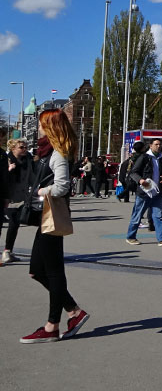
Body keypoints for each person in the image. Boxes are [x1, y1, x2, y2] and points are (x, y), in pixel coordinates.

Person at [20, 109, 89, 343]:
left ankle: (52, 325)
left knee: (52, 270)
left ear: (49, 126)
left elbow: (62, 187)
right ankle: (73, 312)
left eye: (41, 124)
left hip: (51, 216)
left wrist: (40, 191)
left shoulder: (57, 154)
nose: (38, 128)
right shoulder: (48, 151)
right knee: (37, 271)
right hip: (45, 217)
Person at [124, 140, 162, 247]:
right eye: (156, 144)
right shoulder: (144, 158)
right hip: (144, 193)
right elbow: (133, 172)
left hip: (156, 193)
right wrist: (140, 180)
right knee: (137, 215)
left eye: (160, 144)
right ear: (151, 146)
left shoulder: (161, 159)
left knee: (158, 216)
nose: (159, 146)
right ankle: (131, 237)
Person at [3, 138, 35, 265]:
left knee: (15, 224)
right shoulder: (6, 160)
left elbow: (32, 177)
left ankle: (8, 251)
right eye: (21, 147)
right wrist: (8, 170)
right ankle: (6, 251)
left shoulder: (27, 161)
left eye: (26, 147)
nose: (25, 149)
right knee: (13, 223)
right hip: (8, 197)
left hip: (22, 197)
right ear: (13, 148)